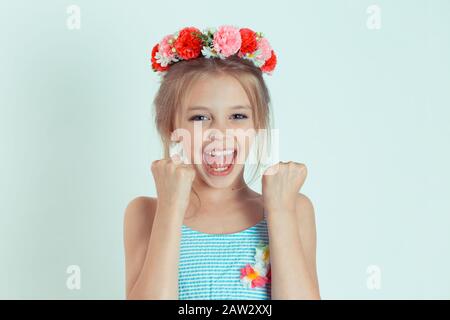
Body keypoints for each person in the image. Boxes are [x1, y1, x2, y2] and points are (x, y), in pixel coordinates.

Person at [123, 26, 320, 300]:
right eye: (200, 118)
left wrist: (280, 212)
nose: (220, 134)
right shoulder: (146, 213)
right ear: (171, 126)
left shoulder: (293, 208)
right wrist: (170, 207)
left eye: (238, 116)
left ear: (258, 124)